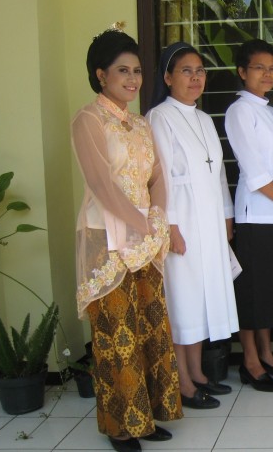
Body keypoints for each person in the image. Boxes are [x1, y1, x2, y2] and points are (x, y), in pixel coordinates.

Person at [72, 24, 181, 452]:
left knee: (149, 326)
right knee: (116, 332)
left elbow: (158, 176)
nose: (133, 79)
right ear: (101, 75)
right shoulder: (88, 119)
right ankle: (121, 425)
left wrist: (157, 216)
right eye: (123, 70)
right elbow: (101, 183)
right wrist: (141, 222)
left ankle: (147, 416)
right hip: (108, 238)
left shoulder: (139, 123)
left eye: (136, 71)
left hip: (145, 237)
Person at [147, 42, 239, 409]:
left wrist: (227, 218)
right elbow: (161, 178)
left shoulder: (203, 118)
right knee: (182, 299)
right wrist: (170, 226)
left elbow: (218, 174)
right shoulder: (159, 116)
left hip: (210, 221)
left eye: (200, 71)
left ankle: (198, 372)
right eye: (186, 70)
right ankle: (182, 382)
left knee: (202, 297)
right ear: (168, 77)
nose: (195, 77)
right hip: (181, 219)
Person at [225, 39, 273, 392]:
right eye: (259, 68)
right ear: (242, 71)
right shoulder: (239, 111)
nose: (268, 74)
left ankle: (268, 354)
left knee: (270, 289)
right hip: (255, 214)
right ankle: (251, 361)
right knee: (253, 291)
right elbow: (254, 171)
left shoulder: (270, 111)